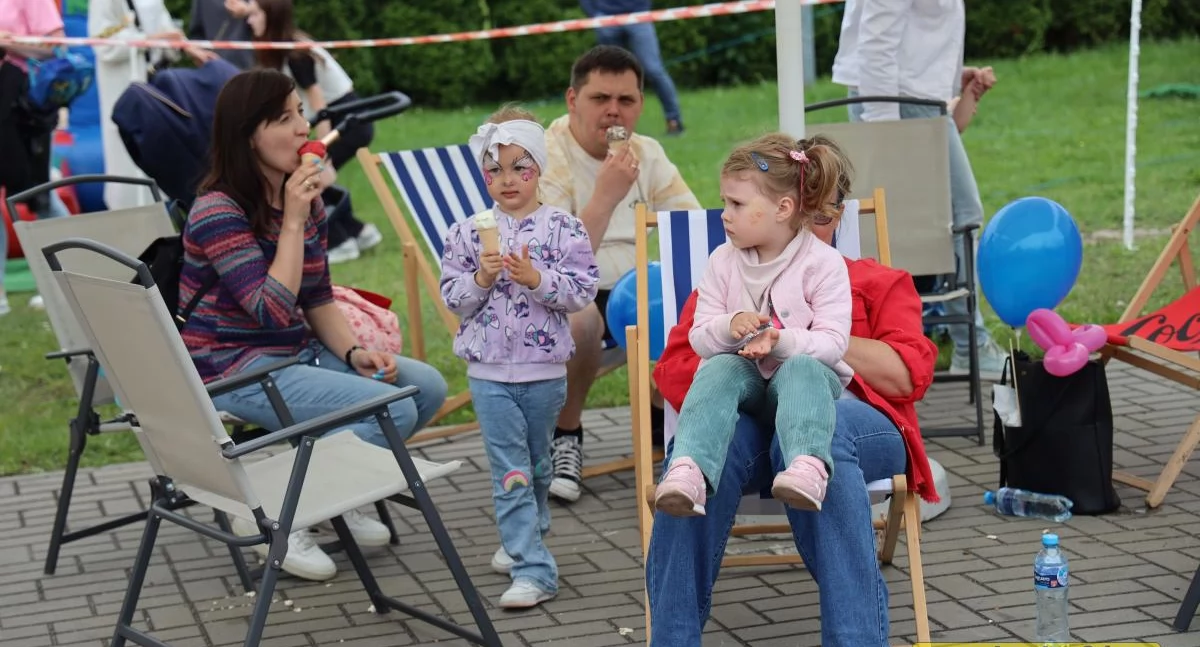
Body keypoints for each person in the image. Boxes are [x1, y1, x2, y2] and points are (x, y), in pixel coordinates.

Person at [646, 156, 940, 645]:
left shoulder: (873, 281)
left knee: (826, 432)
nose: (808, 226)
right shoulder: (732, 272)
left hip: (858, 428)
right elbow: (673, 372)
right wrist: (738, 345)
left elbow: (908, 375)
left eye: (820, 215)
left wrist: (809, 334)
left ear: (839, 215)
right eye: (803, 212)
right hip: (757, 426)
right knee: (693, 459)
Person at [179, 69, 449, 582]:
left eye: (300, 112)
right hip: (232, 366)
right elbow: (271, 309)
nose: (303, 128)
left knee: (425, 387)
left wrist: (352, 354)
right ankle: (278, 512)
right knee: (383, 408)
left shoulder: (305, 198)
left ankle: (336, 493)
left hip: (295, 353)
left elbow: (317, 297)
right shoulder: (218, 210)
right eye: (283, 118)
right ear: (247, 135)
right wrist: (295, 220)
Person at [439, 105, 600, 608]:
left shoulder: (564, 230)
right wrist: (482, 278)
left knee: (537, 466)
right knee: (510, 472)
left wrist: (537, 280)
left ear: (538, 169)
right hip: (488, 375)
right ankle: (534, 569)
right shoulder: (467, 232)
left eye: (518, 167)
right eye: (494, 169)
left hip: (545, 372)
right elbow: (452, 297)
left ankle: (526, 534)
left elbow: (581, 291)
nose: (506, 180)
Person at [653, 134, 853, 518]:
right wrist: (730, 326)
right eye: (725, 202)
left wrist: (780, 340)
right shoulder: (723, 261)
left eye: (737, 204)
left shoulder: (823, 264)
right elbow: (699, 337)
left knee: (802, 367)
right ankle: (689, 470)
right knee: (718, 367)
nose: (724, 214)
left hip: (801, 385)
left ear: (782, 208)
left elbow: (832, 344)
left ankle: (808, 466)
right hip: (745, 387)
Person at [539, 44, 701, 503]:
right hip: (573, 287)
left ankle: (672, 421)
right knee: (581, 317)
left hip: (643, 285)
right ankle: (565, 434)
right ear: (573, 100)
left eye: (626, 101)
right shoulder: (548, 157)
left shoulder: (647, 153)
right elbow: (555, 262)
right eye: (600, 99)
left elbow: (686, 227)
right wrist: (607, 195)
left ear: (641, 106)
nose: (614, 111)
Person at [831, 0, 1006, 379]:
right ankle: (969, 345)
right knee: (961, 217)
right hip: (899, 104)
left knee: (943, 222)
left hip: (908, 98)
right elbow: (875, 42)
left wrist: (948, 79)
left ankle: (941, 340)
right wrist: (887, 133)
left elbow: (900, 33)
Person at [247, 0, 383, 265]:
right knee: (308, 177)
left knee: (307, 178)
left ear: (270, 16)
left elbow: (321, 107)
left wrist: (322, 152)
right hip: (346, 121)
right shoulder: (285, 45)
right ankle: (360, 232)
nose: (249, 21)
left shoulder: (296, 54)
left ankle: (340, 241)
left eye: (254, 14)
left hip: (345, 123)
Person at [89, 0, 217, 211]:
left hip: (156, 88)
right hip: (126, 85)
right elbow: (102, 42)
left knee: (162, 152)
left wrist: (189, 48)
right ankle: (132, 224)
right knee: (128, 160)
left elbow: (167, 28)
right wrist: (149, 40)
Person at [0, 0, 73, 315]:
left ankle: (76, 274)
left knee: (37, 195)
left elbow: (55, 47)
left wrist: (9, 43)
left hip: (23, 105)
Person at [579, 0, 684, 135]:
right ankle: (616, 128)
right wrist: (595, 14)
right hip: (606, 18)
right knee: (611, 77)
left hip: (639, 15)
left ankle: (674, 121)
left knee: (653, 70)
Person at [187, 0, 255, 70]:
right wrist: (200, 53)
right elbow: (197, 35)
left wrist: (249, 10)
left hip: (249, 67)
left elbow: (265, 13)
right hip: (214, 69)